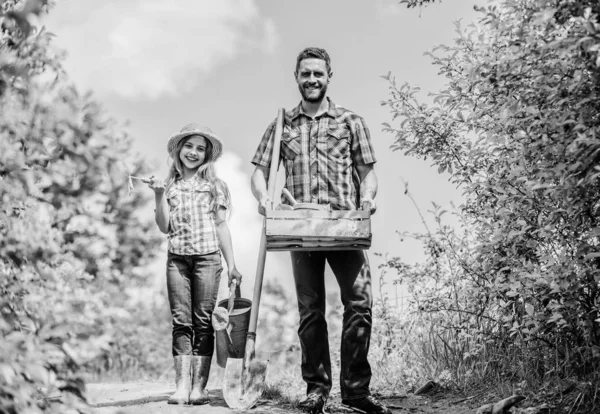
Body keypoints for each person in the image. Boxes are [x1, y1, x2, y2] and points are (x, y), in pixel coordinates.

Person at [250, 47, 391, 414]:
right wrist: (264, 198)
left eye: (318, 73)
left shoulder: (351, 122)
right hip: (300, 230)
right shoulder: (283, 124)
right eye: (305, 74)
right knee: (310, 310)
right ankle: (316, 390)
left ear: (329, 76)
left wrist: (370, 198)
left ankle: (356, 392)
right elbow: (259, 172)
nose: (312, 79)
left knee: (359, 303)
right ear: (296, 78)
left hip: (345, 226)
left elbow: (367, 172)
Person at [148, 123, 243, 405]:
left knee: (203, 321)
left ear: (207, 155)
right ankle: (181, 387)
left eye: (200, 149)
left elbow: (221, 226)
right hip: (177, 259)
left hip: (207, 259)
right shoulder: (169, 187)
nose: (194, 152)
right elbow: (164, 227)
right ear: (179, 150)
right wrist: (157, 194)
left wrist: (233, 265)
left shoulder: (215, 186)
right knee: (181, 321)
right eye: (189, 146)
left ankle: (199, 388)